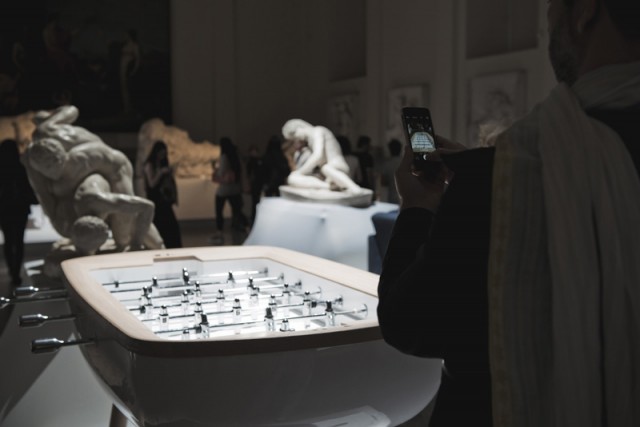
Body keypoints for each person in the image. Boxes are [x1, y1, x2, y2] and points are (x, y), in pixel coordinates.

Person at [377, 1, 640, 426]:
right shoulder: (500, 174)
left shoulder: (503, 178)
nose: (546, 26)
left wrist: (419, 207)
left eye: (551, 8)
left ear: (585, 12)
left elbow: (407, 321)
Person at [24, 105, 164, 254]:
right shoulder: (37, 154)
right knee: (122, 226)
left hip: (116, 168)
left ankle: (159, 247)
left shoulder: (91, 195)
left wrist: (136, 242)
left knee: (123, 238)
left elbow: (145, 207)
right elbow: (44, 196)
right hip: (90, 175)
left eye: (52, 168)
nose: (51, 175)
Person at [282, 119, 366, 195]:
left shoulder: (318, 131)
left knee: (326, 168)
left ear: (299, 128)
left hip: (336, 169)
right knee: (292, 178)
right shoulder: (309, 142)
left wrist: (300, 172)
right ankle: (328, 187)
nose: (297, 139)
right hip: (325, 176)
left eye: (295, 136)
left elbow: (318, 156)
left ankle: (354, 187)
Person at [0, 139, 37, 285]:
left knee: (9, 241)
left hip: (5, 209)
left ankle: (13, 271)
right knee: (18, 240)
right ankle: (15, 271)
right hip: (19, 208)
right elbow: (28, 188)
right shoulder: (21, 168)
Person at [143, 140, 182, 248]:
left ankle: (173, 247)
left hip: (164, 201)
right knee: (161, 226)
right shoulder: (150, 165)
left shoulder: (162, 164)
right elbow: (151, 183)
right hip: (156, 200)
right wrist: (161, 173)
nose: (162, 156)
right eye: (161, 153)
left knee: (171, 227)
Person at [212, 137, 248, 241]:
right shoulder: (236, 156)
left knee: (219, 211)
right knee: (237, 210)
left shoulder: (224, 157)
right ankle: (246, 227)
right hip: (235, 188)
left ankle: (219, 232)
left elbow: (221, 172)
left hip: (224, 189)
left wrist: (216, 171)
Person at [379, 138, 402, 204]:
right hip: (406, 196)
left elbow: (383, 182)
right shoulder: (406, 162)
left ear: (390, 149)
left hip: (392, 197)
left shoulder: (387, 164)